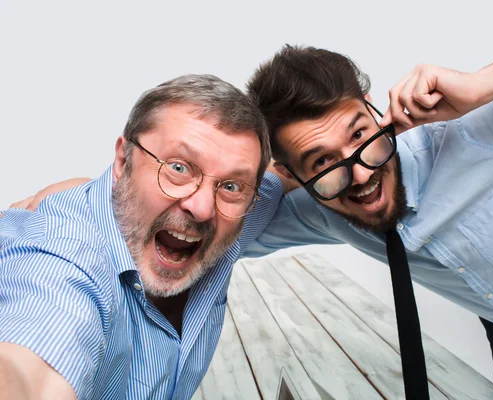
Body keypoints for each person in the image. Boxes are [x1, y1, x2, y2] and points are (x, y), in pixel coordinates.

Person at [10, 1, 493, 398]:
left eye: (361, 139)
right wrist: (94, 192)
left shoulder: (485, 129)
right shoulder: (292, 209)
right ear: (286, 174)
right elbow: (200, 213)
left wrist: (483, 84)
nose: (360, 176)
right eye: (321, 165)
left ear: (376, 114)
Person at [0, 75, 283, 399]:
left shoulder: (239, 211)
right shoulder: (62, 250)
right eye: (179, 167)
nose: (203, 208)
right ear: (123, 160)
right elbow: (33, 363)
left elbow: (295, 168)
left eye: (231, 185)